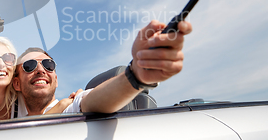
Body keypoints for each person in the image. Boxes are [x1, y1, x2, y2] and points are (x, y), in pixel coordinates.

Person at [13, 20, 192, 115]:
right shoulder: (9, 120)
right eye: (29, 66)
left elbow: (93, 100)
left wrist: (136, 75)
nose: (41, 70)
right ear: (16, 84)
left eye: (48, 64)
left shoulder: (70, 108)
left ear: (56, 79)